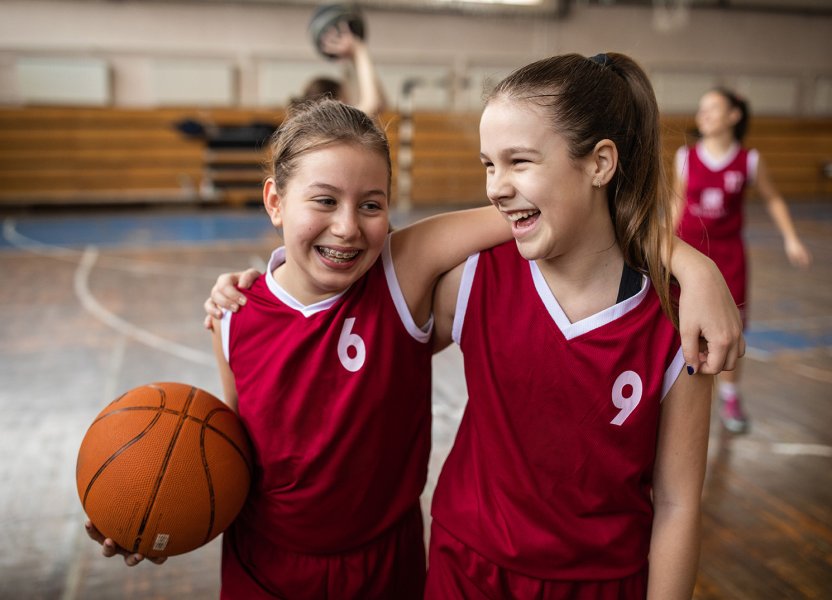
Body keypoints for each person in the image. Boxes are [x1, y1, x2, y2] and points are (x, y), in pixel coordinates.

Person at [203, 56, 745, 599]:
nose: (495, 187)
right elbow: (316, 326)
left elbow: (678, 504)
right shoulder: (469, 282)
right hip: (463, 569)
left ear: (601, 162)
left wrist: (697, 268)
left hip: (593, 578)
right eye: (489, 165)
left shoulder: (676, 324)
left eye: (518, 161)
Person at [673, 87, 812, 433]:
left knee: (729, 330)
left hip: (728, 256)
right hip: (689, 252)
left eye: (712, 109)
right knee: (678, 327)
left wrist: (791, 238)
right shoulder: (685, 156)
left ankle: (730, 397)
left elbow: (773, 199)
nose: (702, 115)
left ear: (734, 115)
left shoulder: (748, 160)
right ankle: (676, 398)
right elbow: (675, 204)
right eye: (700, 109)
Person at [295, 22, 387, 118]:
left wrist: (354, 59)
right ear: (337, 101)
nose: (350, 102)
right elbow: (374, 104)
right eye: (345, 97)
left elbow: (381, 104)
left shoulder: (318, 124)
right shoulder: (334, 125)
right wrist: (359, 50)